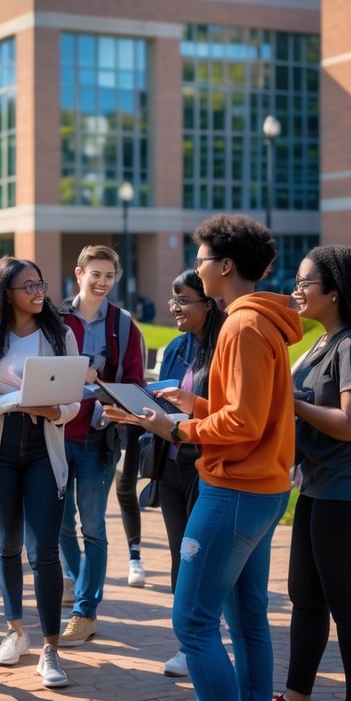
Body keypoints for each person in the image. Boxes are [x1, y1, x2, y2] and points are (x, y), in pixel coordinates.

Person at [105, 214, 302, 701]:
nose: (196, 268)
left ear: (226, 266)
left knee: (192, 622)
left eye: (201, 261)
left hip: (235, 489)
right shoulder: (258, 321)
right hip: (260, 487)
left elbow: (243, 422)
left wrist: (174, 429)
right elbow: (249, 410)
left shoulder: (242, 324)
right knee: (247, 620)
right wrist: (194, 404)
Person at [270, 246, 351, 701]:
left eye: (305, 283)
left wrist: (291, 404)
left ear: (335, 293)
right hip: (320, 485)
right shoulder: (322, 344)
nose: (296, 291)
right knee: (305, 594)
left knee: (347, 601)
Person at [0, 257, 79, 688]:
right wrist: (16, 402)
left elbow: (73, 399)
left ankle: (50, 648)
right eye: (27, 286)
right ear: (4, 293)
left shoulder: (59, 333)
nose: (38, 292)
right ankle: (16, 632)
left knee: (44, 551)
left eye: (40, 283)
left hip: (44, 447)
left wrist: (57, 410)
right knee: (8, 544)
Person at [57, 245, 145, 646]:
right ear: (79, 274)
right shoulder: (55, 319)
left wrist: (106, 391)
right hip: (55, 436)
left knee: (92, 527)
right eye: (95, 274)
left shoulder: (124, 326)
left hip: (97, 440)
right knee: (59, 525)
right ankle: (79, 586)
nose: (102, 282)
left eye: (109, 276)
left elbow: (136, 385)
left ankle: (85, 611)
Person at [149, 269, 225, 679]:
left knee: (203, 557)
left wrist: (189, 404)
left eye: (184, 300)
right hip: (172, 462)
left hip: (210, 464)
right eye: (172, 298)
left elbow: (230, 410)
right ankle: (187, 645)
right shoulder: (176, 347)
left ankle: (206, 635)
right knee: (182, 552)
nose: (174, 307)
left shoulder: (226, 346)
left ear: (207, 303)